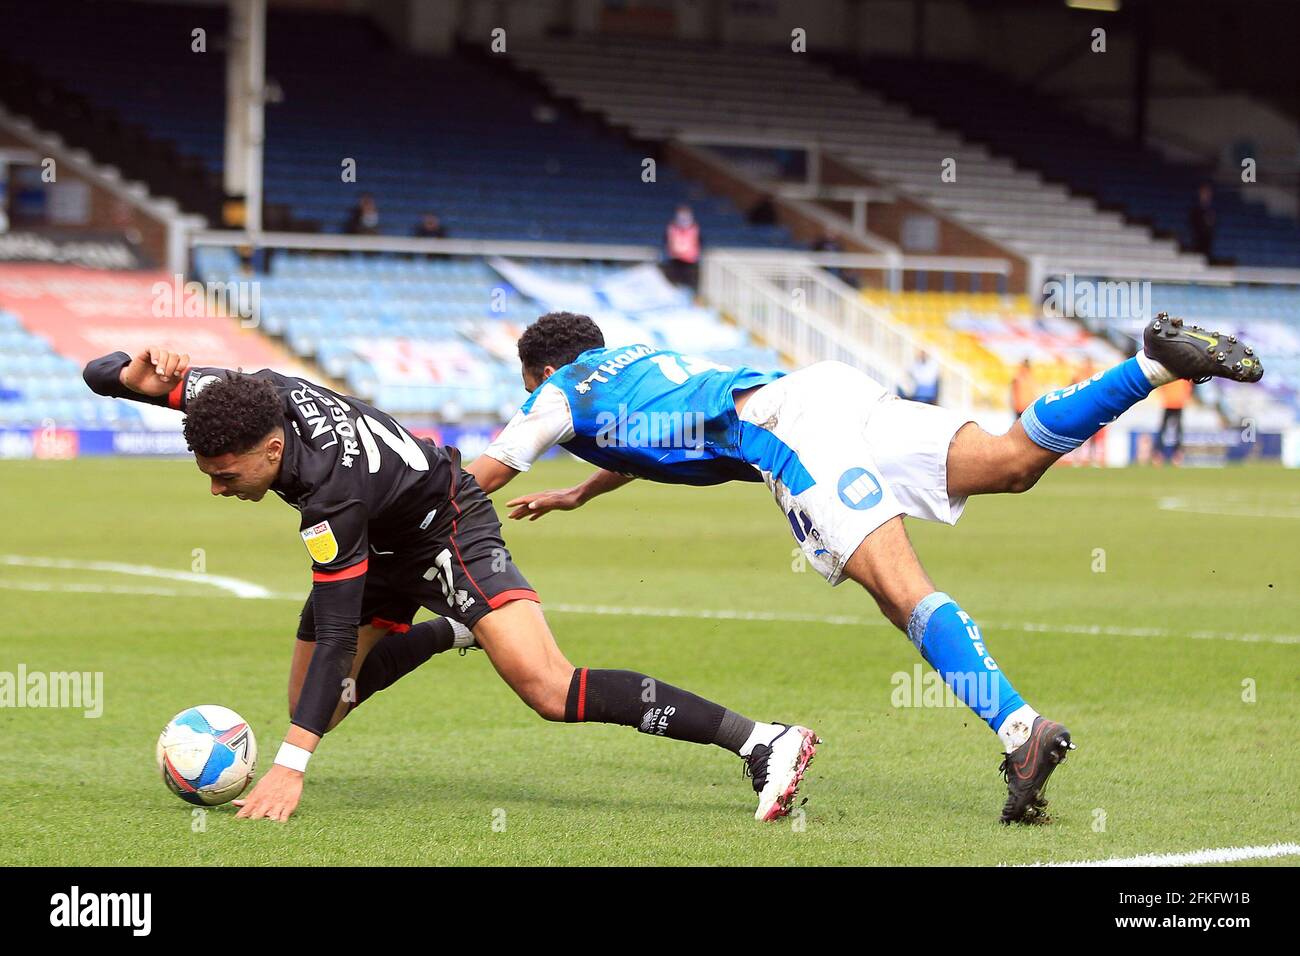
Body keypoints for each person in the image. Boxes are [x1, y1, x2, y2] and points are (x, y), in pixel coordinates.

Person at [466, 311, 1264, 824]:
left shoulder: (556, 394)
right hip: (825, 393)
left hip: (790, 432)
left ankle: (1021, 729)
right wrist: (581, 492)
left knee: (899, 592)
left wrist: (406, 493)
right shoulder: (635, 359)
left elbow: (491, 470)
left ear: (539, 372)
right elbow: (662, 429)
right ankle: (1151, 368)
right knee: (1009, 461)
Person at [82, 346, 819, 823]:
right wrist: (128, 375)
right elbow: (99, 372)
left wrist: (289, 768)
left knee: (548, 690)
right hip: (383, 528)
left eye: (225, 476)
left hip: (443, 523)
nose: (216, 490)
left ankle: (762, 740)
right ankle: (450, 631)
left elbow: (339, 632)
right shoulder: (230, 396)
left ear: (272, 449)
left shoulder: (328, 495)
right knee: (320, 707)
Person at [1155, 376, 1194, 466]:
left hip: (1173, 402)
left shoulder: (1172, 373)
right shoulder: (1184, 373)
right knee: (1176, 430)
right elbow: (1189, 386)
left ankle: (1160, 454)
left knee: (1166, 429)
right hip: (1173, 402)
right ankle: (1174, 455)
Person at [663, 204, 701, 291]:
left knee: (689, 284)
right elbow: (667, 241)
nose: (683, 218)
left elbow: (699, 243)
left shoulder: (695, 228)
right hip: (675, 259)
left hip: (689, 261)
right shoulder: (671, 228)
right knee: (673, 285)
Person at [1189, 182, 1216, 259]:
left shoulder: (1212, 211)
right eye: (1204, 193)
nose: (1207, 195)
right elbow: (1194, 227)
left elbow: (1212, 228)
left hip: (1207, 246)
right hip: (1197, 244)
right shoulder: (1195, 210)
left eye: (1208, 193)